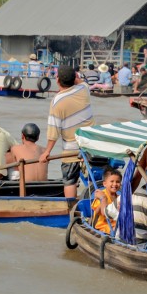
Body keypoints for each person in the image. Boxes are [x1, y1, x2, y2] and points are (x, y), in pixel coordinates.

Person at [39, 66, 94, 199]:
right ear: (75, 78)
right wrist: (75, 78)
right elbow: (80, 81)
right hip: (91, 145)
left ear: (57, 81)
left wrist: (47, 152)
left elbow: (53, 131)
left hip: (71, 150)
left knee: (70, 181)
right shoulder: (84, 89)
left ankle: (71, 210)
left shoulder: (57, 102)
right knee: (93, 179)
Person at [89, 168, 123, 234]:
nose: (115, 184)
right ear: (105, 184)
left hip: (114, 223)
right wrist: (102, 200)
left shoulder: (118, 197)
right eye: (112, 181)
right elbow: (100, 212)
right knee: (118, 230)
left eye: (118, 182)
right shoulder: (101, 195)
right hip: (102, 225)